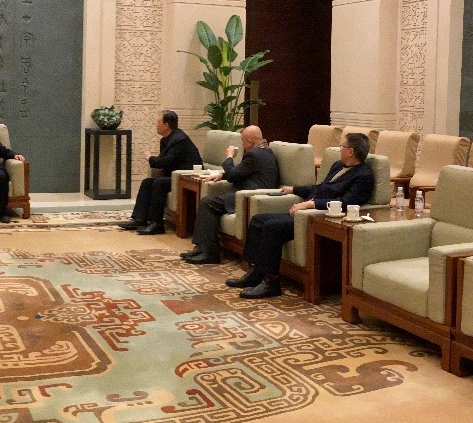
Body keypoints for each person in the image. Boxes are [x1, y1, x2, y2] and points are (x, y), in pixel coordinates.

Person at [233, 133, 374, 299]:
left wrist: (310, 204)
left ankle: (271, 283)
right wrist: (294, 189)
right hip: (306, 212)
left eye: (342, 146)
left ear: (350, 151)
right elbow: (320, 188)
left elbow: (346, 202)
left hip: (318, 217)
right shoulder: (338, 166)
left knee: (272, 227)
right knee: (258, 220)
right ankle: (255, 273)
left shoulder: (364, 176)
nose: (340, 149)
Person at [181, 126, 280, 264]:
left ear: (249, 142)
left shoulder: (254, 154)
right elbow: (242, 171)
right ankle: (202, 248)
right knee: (209, 202)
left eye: (242, 141)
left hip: (248, 196)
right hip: (249, 193)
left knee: (207, 203)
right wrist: (222, 175)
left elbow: (233, 174)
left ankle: (209, 252)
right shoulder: (265, 152)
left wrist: (229, 157)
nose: (242, 145)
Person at [120, 110, 202, 235]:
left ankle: (157, 224)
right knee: (147, 182)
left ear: (166, 125)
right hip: (173, 175)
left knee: (159, 183)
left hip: (185, 178)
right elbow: (163, 161)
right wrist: (154, 160)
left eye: (158, 122)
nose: (156, 125)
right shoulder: (165, 140)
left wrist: (150, 158)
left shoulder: (179, 139)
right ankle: (139, 218)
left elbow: (166, 161)